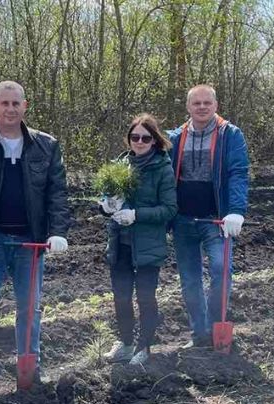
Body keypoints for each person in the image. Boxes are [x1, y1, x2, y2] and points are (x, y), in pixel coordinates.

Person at [0, 81, 70, 398]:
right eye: (4, 103)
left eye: (16, 103)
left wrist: (59, 231)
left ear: (26, 106)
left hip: (31, 241)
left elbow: (57, 194)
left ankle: (28, 372)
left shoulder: (46, 146)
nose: (10, 109)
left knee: (30, 309)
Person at [168, 84, 250, 349]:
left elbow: (238, 173)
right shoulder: (176, 137)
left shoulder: (230, 135)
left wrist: (236, 211)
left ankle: (217, 327)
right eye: (196, 103)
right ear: (188, 107)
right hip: (183, 219)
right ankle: (199, 334)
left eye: (207, 103)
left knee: (220, 269)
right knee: (190, 279)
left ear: (215, 105)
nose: (202, 107)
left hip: (216, 219)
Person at [99, 114, 177, 366]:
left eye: (146, 137)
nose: (140, 141)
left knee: (145, 297)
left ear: (154, 140)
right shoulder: (119, 165)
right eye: (135, 137)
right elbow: (106, 197)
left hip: (147, 244)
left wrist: (136, 215)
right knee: (121, 296)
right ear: (129, 139)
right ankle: (125, 343)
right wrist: (107, 206)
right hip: (120, 242)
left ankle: (144, 347)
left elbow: (169, 209)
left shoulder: (162, 168)